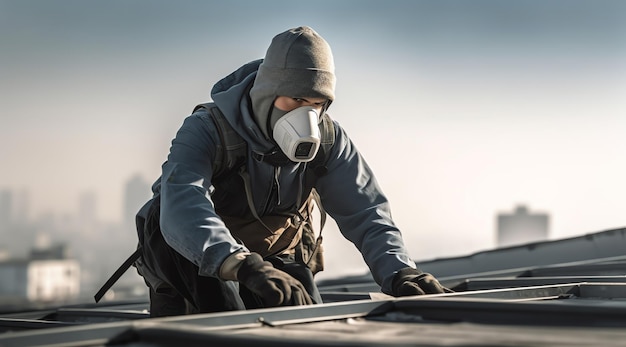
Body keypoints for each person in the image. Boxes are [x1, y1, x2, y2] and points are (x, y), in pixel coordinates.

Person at [133, 26, 450, 317]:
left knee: (304, 320)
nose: (307, 115)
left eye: (316, 103)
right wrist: (241, 265)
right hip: (194, 254)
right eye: (296, 99)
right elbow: (183, 202)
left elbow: (366, 210)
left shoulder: (329, 140)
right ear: (267, 94)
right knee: (222, 318)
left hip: (272, 254)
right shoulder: (208, 129)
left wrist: (400, 272)